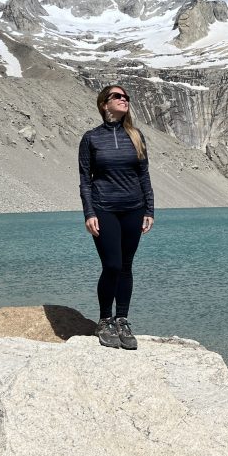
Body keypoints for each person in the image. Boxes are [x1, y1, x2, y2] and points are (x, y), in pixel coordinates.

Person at [78, 84, 155, 350]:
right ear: (104, 104)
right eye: (117, 97)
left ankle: (122, 319)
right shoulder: (91, 138)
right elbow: (85, 181)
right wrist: (89, 212)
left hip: (133, 208)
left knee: (126, 266)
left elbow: (143, 175)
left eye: (126, 98)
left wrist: (149, 209)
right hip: (104, 209)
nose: (124, 100)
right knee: (111, 265)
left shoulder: (135, 135)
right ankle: (104, 320)